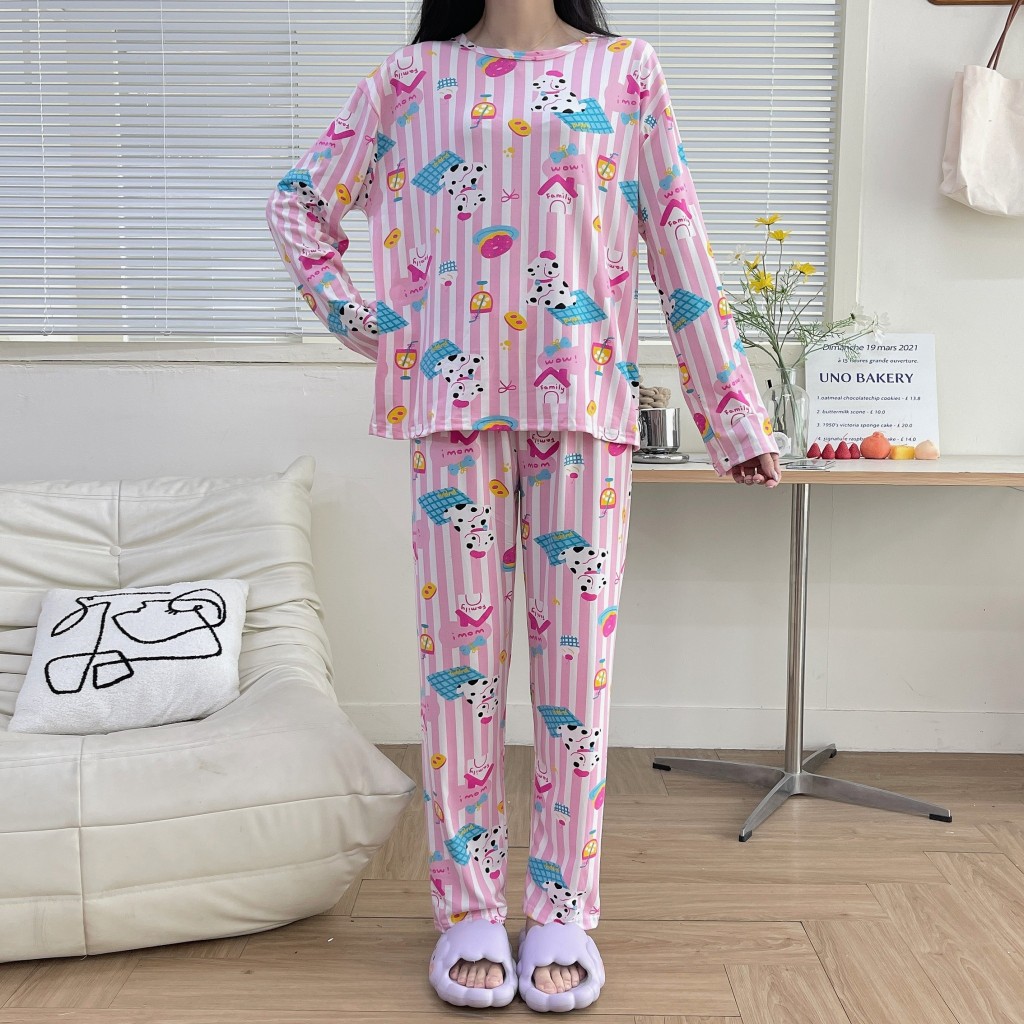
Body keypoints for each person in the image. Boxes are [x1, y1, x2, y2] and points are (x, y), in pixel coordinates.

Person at [266, 0, 781, 1011]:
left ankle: (560, 907)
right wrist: (365, 321)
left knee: (574, 679)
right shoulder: (408, 80)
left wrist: (732, 413)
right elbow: (298, 205)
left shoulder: (627, 72)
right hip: (449, 409)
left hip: (583, 405)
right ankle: (466, 905)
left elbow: (677, 239)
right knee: (458, 673)